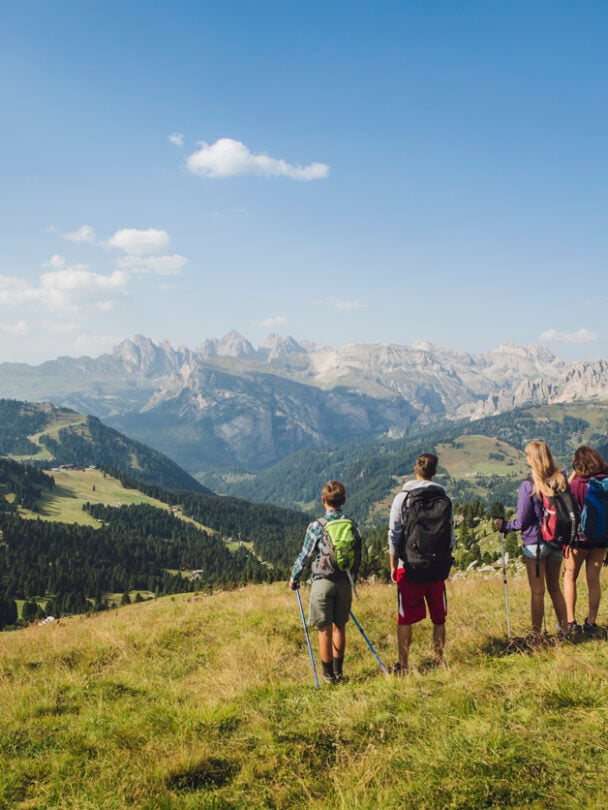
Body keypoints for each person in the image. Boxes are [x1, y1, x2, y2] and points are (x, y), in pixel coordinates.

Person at [388, 452, 454, 672]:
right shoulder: (444, 499)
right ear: (435, 472)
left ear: (415, 469)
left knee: (405, 618)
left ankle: (404, 664)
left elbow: (394, 534)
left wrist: (393, 564)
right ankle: (438, 660)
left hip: (409, 566)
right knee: (439, 618)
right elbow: (451, 535)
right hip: (436, 567)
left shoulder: (403, 498)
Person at [495, 440, 568, 639]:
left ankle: (536, 634)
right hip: (556, 542)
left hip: (535, 543)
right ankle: (565, 629)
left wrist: (504, 526)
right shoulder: (560, 480)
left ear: (531, 459)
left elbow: (522, 520)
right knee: (555, 588)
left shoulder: (528, 485)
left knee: (537, 591)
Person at [289, 480, 358, 684]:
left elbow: (305, 555)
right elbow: (357, 554)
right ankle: (339, 672)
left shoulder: (316, 526)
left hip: (322, 582)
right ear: (343, 500)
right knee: (340, 627)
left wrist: (294, 578)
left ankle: (328, 676)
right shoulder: (352, 525)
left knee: (324, 629)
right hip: (344, 581)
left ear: (323, 500)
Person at [564, 446, 608, 635]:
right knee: (593, 581)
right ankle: (591, 622)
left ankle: (570, 622)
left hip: (578, 540)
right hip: (601, 539)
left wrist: (573, 473)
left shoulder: (576, 485)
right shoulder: (604, 483)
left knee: (570, 577)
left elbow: (561, 495)